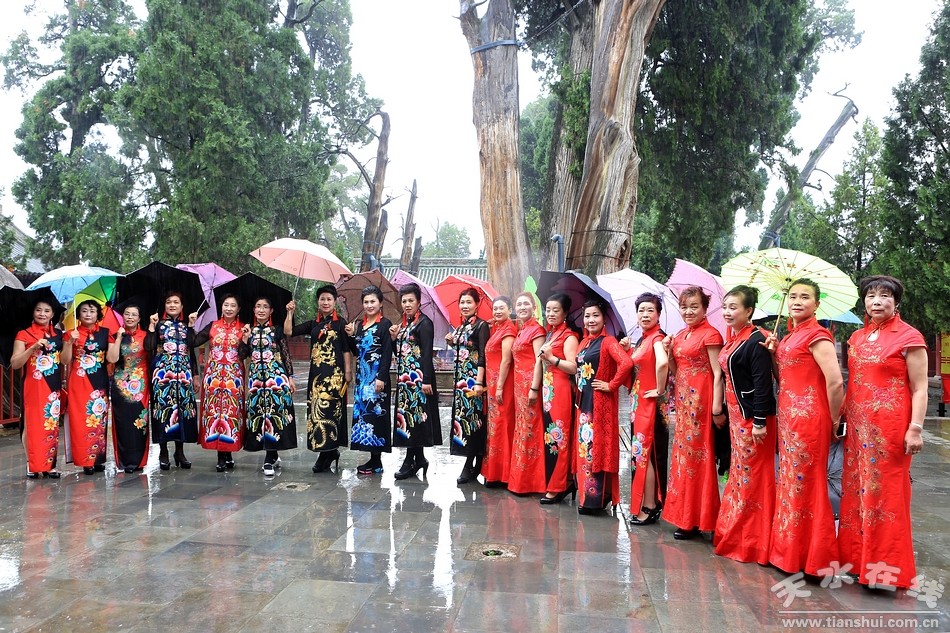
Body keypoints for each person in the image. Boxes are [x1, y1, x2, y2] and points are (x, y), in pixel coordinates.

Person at [838, 276, 928, 589]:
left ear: (896, 302)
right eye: (871, 295)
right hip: (858, 430)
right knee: (857, 493)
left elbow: (920, 388)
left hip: (890, 429)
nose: (877, 301)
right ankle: (859, 563)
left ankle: (886, 572)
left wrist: (915, 428)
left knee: (886, 495)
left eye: (885, 295)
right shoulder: (857, 337)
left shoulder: (909, 337)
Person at [764, 278, 843, 577]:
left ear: (816, 304)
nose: (797, 301)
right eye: (793, 296)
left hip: (810, 418)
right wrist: (773, 354)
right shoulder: (789, 337)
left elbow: (835, 382)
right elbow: (784, 378)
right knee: (791, 481)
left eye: (805, 297)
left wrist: (834, 419)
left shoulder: (818, 336)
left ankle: (815, 559)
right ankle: (790, 553)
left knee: (806, 482)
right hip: (789, 418)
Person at [712, 286, 776, 564]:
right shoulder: (734, 338)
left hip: (753, 419)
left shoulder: (757, 339)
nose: (727, 312)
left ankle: (754, 542)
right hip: (736, 417)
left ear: (749, 311)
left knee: (753, 478)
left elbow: (763, 384)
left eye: (734, 307)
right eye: (725, 306)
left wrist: (759, 421)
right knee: (741, 475)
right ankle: (738, 533)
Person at [662, 286, 724, 540]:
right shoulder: (680, 334)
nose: (688, 311)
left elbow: (718, 373)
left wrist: (716, 407)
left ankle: (697, 519)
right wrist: (668, 351)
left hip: (701, 402)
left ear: (704, 308)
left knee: (698, 457)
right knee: (683, 458)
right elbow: (676, 370)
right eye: (684, 307)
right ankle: (685, 516)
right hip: (684, 402)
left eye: (694, 306)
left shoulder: (711, 335)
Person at [574, 299, 633, 513]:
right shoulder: (584, 342)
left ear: (604, 318)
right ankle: (589, 496)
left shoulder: (608, 342)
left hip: (599, 403)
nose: (591, 320)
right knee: (586, 447)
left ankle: (594, 500)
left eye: (595, 315)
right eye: (587, 316)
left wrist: (611, 385)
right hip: (584, 402)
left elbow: (626, 363)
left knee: (594, 447)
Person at [286, 285, 352, 474]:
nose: (325, 302)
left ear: (335, 302)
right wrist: (290, 313)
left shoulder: (341, 323)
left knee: (332, 413)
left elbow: (346, 349)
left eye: (329, 299)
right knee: (316, 414)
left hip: (335, 376)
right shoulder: (313, 324)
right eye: (322, 299)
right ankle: (326, 452)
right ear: (318, 301)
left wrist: (348, 373)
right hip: (316, 376)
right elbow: (289, 331)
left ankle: (328, 453)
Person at [623, 293, 669, 525]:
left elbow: (663, 362)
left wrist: (659, 389)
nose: (645, 314)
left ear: (658, 314)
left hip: (648, 406)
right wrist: (627, 350)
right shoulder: (643, 339)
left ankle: (650, 505)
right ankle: (649, 502)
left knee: (646, 455)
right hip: (639, 404)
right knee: (642, 454)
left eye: (650, 310)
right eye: (641, 310)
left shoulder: (657, 338)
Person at [10, 298, 69, 478]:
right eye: (38, 310)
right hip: (33, 385)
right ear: (33, 312)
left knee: (51, 424)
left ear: (53, 314)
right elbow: (15, 363)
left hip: (53, 386)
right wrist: (32, 349)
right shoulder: (24, 334)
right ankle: (32, 463)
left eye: (46, 311)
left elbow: (65, 360)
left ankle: (49, 464)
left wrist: (69, 343)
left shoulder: (58, 335)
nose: (42, 314)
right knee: (32, 424)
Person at [389, 282, 442, 480]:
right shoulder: (405, 325)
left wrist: (426, 380)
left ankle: (410, 460)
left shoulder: (424, 323)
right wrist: (394, 339)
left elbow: (427, 354)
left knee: (416, 419)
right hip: (405, 382)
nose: (407, 304)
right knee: (408, 418)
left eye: (411, 300)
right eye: (404, 301)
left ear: (419, 302)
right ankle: (419, 459)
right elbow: (400, 354)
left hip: (419, 381)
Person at [241, 296, 297, 477]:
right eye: (258, 306)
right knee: (259, 416)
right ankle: (272, 454)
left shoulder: (276, 330)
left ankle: (269, 457)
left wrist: (291, 377)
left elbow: (285, 353)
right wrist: (244, 338)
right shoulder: (249, 330)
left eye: (265, 307)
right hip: (256, 381)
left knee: (274, 415)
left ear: (271, 311)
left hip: (276, 380)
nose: (261, 310)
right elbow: (242, 355)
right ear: (253, 310)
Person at [146, 290, 199, 470]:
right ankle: (163, 451)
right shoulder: (158, 324)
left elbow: (191, 347)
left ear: (182, 306)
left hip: (183, 375)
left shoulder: (185, 325)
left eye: (176, 302)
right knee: (163, 410)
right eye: (169, 302)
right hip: (162, 375)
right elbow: (149, 346)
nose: (172, 305)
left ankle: (180, 451)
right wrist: (151, 327)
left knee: (182, 411)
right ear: (164, 305)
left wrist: (195, 374)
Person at [192, 294, 245, 472]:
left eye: (233, 305)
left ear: (238, 309)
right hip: (213, 379)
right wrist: (191, 325)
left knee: (231, 414)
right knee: (215, 414)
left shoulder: (243, 328)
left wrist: (246, 339)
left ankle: (228, 452)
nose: (229, 308)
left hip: (233, 379)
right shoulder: (213, 326)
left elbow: (244, 354)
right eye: (226, 305)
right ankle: (221, 456)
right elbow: (194, 342)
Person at [535, 293, 579, 504]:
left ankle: (557, 486)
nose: (551, 313)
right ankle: (561, 482)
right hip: (548, 392)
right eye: (548, 310)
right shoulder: (551, 334)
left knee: (558, 437)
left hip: (561, 391)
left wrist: (552, 358)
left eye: (556, 310)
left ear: (565, 313)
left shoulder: (569, 336)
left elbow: (573, 367)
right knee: (550, 438)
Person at [346, 286, 393, 474]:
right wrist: (351, 336)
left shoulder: (385, 324)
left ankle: (377, 461)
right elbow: (356, 351)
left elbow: (387, 353)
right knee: (364, 416)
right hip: (362, 379)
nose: (369, 305)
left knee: (376, 417)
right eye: (366, 302)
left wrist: (381, 378)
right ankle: (372, 459)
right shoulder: (360, 325)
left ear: (380, 303)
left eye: (373, 301)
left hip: (376, 379)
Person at [445, 287, 488, 484]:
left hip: (473, 382)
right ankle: (472, 461)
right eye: (462, 302)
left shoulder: (481, 326)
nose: (464, 306)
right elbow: (463, 351)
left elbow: (482, 355)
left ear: (477, 305)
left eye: (469, 302)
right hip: (460, 382)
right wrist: (451, 343)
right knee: (463, 420)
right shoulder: (461, 327)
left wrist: (479, 382)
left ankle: (471, 463)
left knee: (472, 420)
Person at [64, 299, 111, 475]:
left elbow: (111, 358)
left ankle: (98, 458)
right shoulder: (71, 333)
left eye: (92, 311)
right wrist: (69, 342)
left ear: (98, 314)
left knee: (99, 419)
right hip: (79, 380)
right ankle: (85, 460)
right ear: (79, 314)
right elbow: (64, 360)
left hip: (100, 380)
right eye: (84, 311)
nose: (88, 314)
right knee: (81, 419)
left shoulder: (106, 333)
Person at [507, 292, 547, 495]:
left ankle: (532, 482)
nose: (522, 307)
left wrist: (534, 387)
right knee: (522, 428)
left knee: (531, 428)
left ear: (534, 307)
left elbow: (540, 360)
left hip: (530, 385)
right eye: (519, 304)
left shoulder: (537, 330)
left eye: (526, 304)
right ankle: (519, 480)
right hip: (518, 387)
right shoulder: (521, 329)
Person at [106, 302, 151, 473]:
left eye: (134, 314)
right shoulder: (115, 335)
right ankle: (124, 462)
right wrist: (118, 337)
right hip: (120, 386)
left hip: (140, 386)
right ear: (122, 316)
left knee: (140, 423)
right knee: (123, 423)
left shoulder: (146, 336)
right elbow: (112, 358)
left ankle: (139, 461)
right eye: (127, 314)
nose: (130, 317)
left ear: (139, 318)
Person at [482, 296, 517, 488]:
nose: (497, 311)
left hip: (503, 383)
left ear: (510, 309)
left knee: (503, 424)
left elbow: (506, 360)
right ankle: (493, 471)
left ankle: (503, 474)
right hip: (493, 382)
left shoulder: (509, 330)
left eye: (501, 308)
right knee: (494, 424)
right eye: (495, 308)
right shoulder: (497, 328)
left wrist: (501, 386)